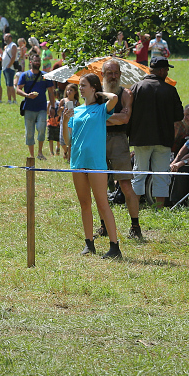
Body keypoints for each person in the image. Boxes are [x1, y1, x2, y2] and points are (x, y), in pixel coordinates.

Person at [62, 73, 122, 259]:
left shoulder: (102, 109)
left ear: (93, 88)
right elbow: (67, 140)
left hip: (96, 163)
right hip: (78, 162)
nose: (80, 88)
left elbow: (115, 98)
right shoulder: (76, 111)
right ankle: (89, 244)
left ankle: (114, 247)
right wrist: (64, 121)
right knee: (84, 204)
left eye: (83, 85)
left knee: (102, 203)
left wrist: (100, 93)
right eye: (79, 85)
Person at [128, 56, 184, 208]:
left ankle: (135, 206)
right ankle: (159, 207)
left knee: (139, 173)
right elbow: (179, 115)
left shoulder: (136, 88)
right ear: (161, 71)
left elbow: (128, 114)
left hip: (141, 139)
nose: (167, 72)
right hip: (163, 139)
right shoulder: (170, 90)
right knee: (162, 175)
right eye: (166, 69)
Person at [100, 59, 142, 239]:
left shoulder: (126, 93)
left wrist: (101, 116)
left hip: (119, 140)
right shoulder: (97, 94)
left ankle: (135, 226)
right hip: (99, 140)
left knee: (125, 184)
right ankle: (104, 226)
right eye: (109, 73)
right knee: (99, 185)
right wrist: (111, 117)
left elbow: (125, 119)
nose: (113, 76)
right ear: (103, 74)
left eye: (116, 72)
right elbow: (90, 116)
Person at [16, 54, 55, 160]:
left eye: (39, 61)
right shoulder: (25, 75)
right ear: (31, 62)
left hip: (42, 107)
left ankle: (40, 153)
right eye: (35, 61)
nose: (38, 63)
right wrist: (27, 95)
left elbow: (51, 92)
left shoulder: (45, 76)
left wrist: (53, 107)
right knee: (29, 132)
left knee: (42, 129)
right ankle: (32, 155)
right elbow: (18, 89)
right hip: (29, 107)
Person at [59, 84, 79, 159]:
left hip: (73, 123)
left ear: (75, 92)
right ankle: (65, 150)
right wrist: (60, 109)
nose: (69, 92)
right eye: (68, 90)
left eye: (71, 90)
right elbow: (57, 113)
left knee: (71, 140)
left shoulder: (76, 102)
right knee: (62, 141)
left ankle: (69, 157)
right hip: (63, 122)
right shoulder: (63, 101)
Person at [1, 33, 18, 103]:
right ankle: (9, 100)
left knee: (10, 85)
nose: (4, 39)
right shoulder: (7, 46)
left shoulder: (13, 45)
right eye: (4, 37)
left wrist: (8, 66)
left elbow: (13, 56)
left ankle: (14, 100)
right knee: (7, 85)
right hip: (5, 68)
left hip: (10, 68)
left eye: (6, 37)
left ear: (10, 38)